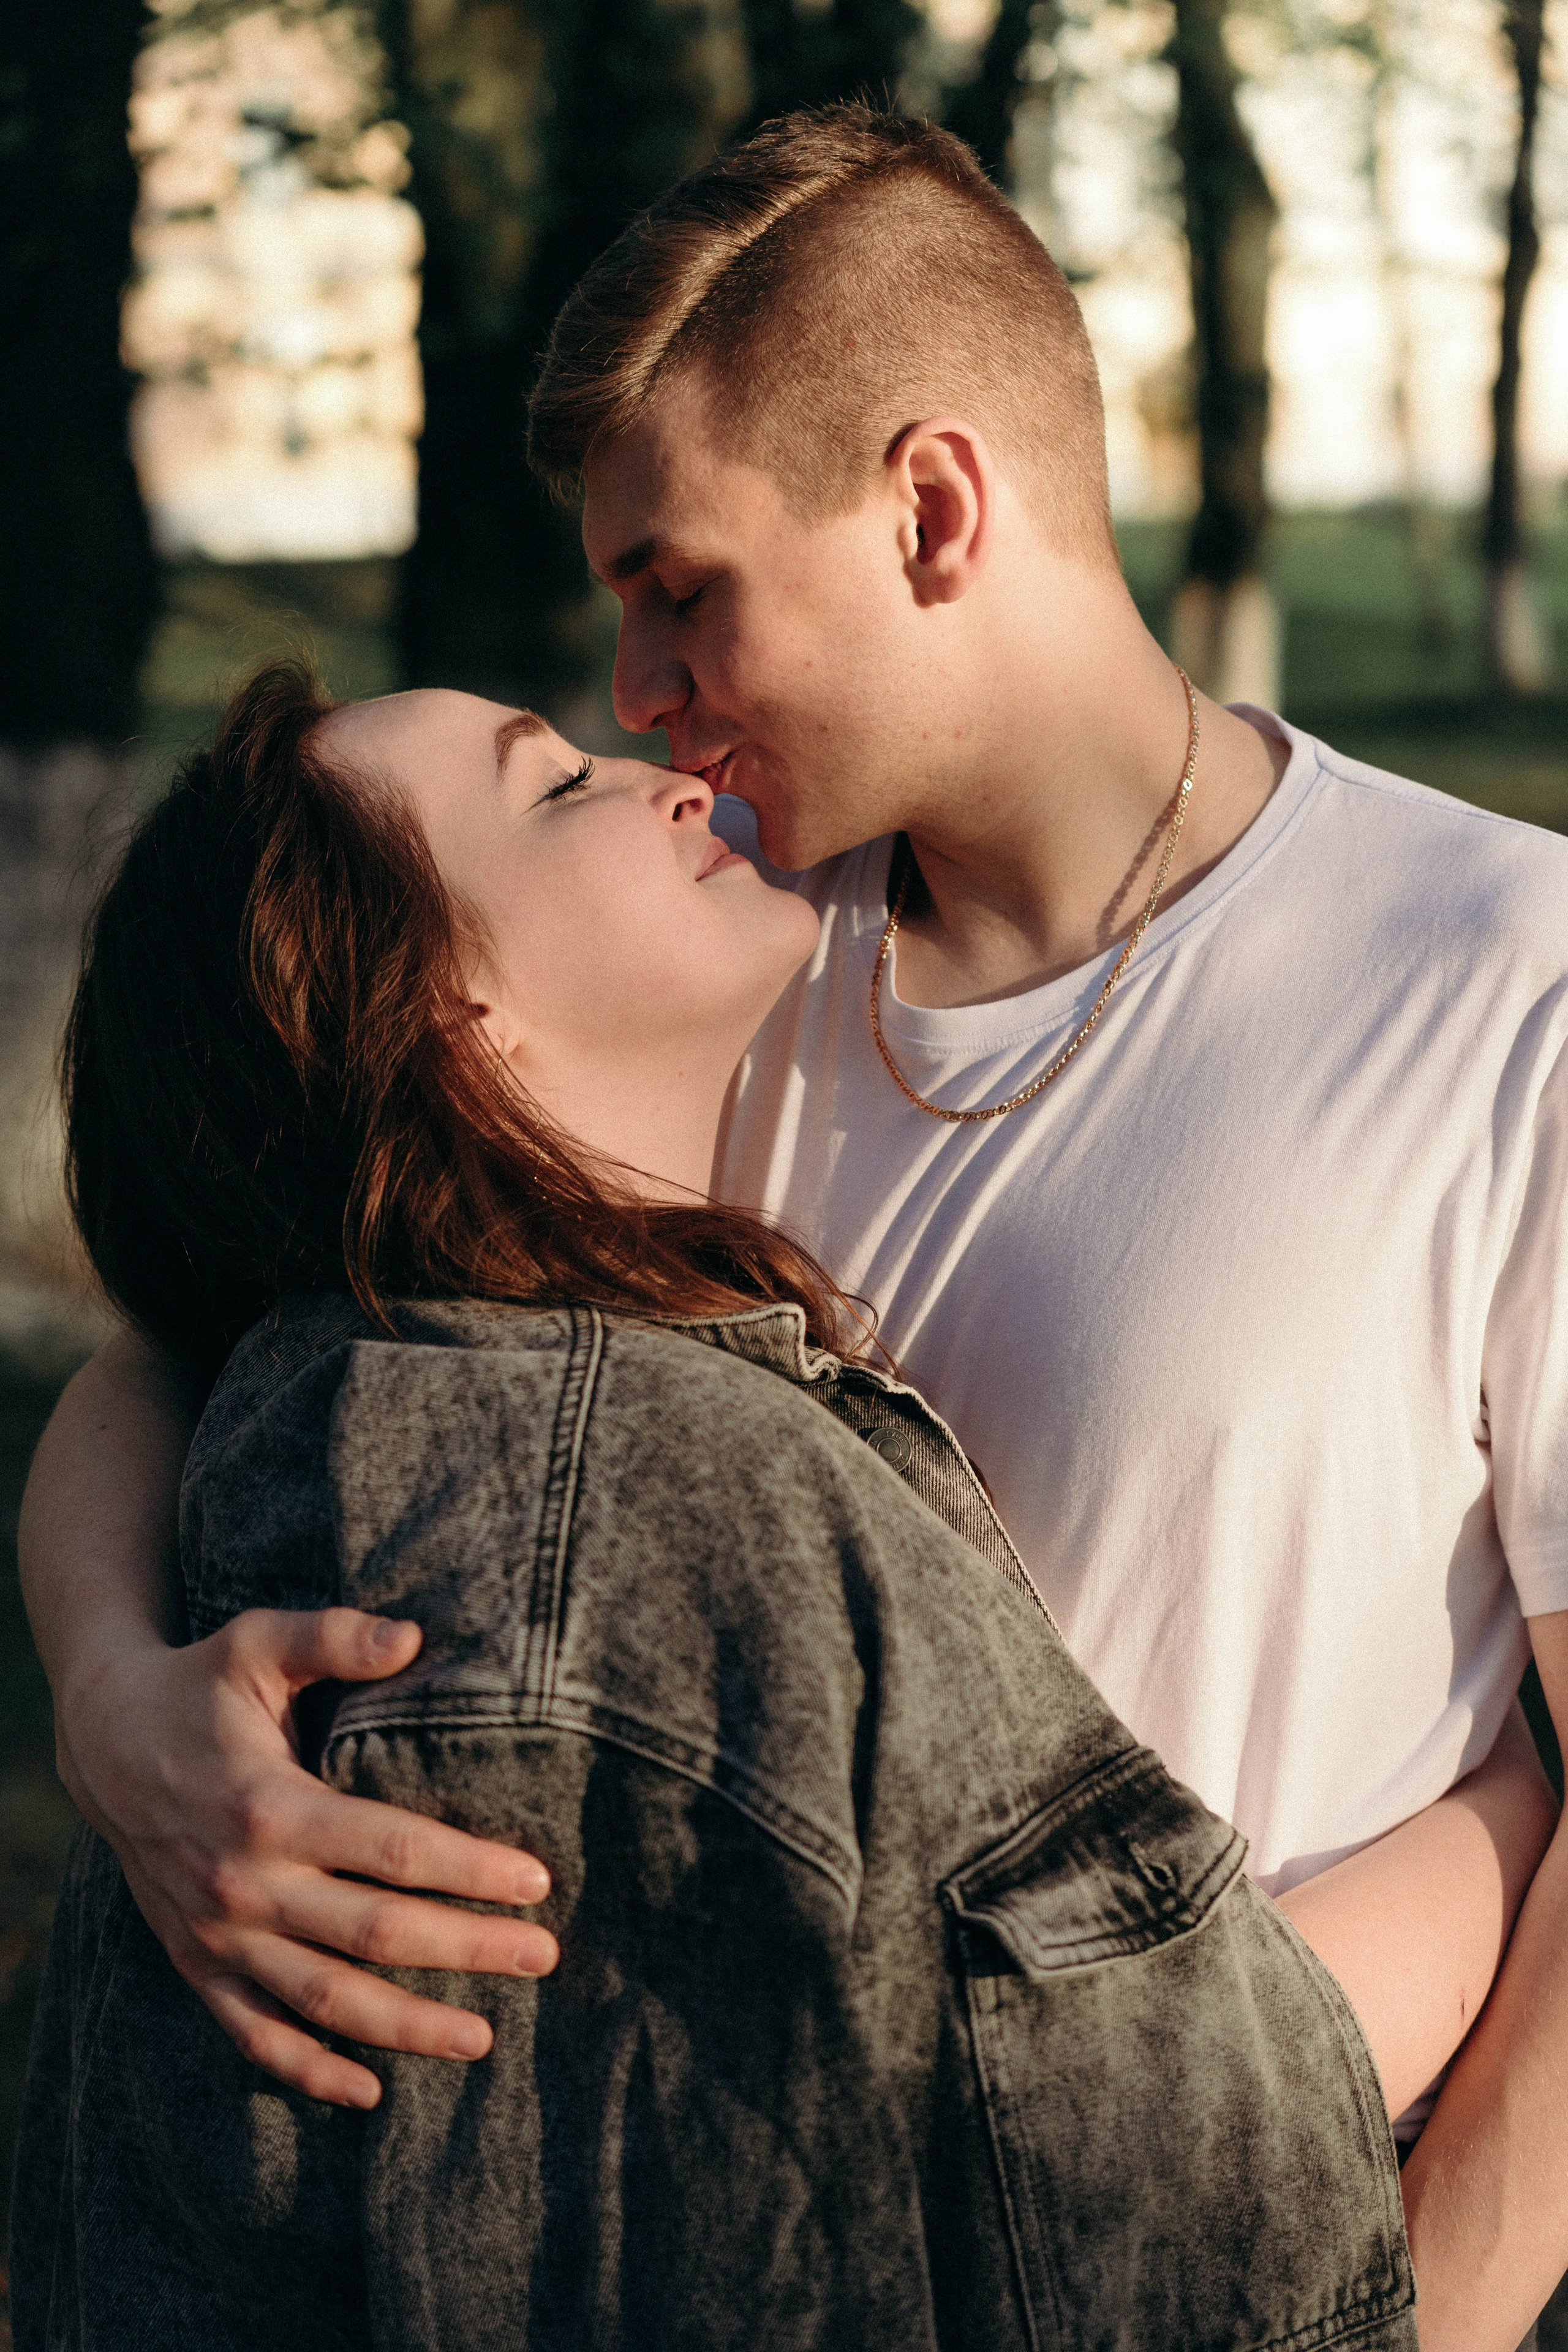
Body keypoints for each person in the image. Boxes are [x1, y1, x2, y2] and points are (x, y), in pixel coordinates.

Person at [18, 102, 1568, 2345]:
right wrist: (111, 1698)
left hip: (1254, 2227)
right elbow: (205, 1325)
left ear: (934, 510)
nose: (640, 693)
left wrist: (1431, 2312)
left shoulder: (1506, 983)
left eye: (681, 591)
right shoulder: (693, 957)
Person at [13, 662, 1431, 2350]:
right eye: (553, 789)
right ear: (453, 1018)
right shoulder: (639, 1500)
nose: (662, 769)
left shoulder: (304, 1416)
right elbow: (1150, 2192)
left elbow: (167, 1340)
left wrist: (96, 1672)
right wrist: (1498, 1830)